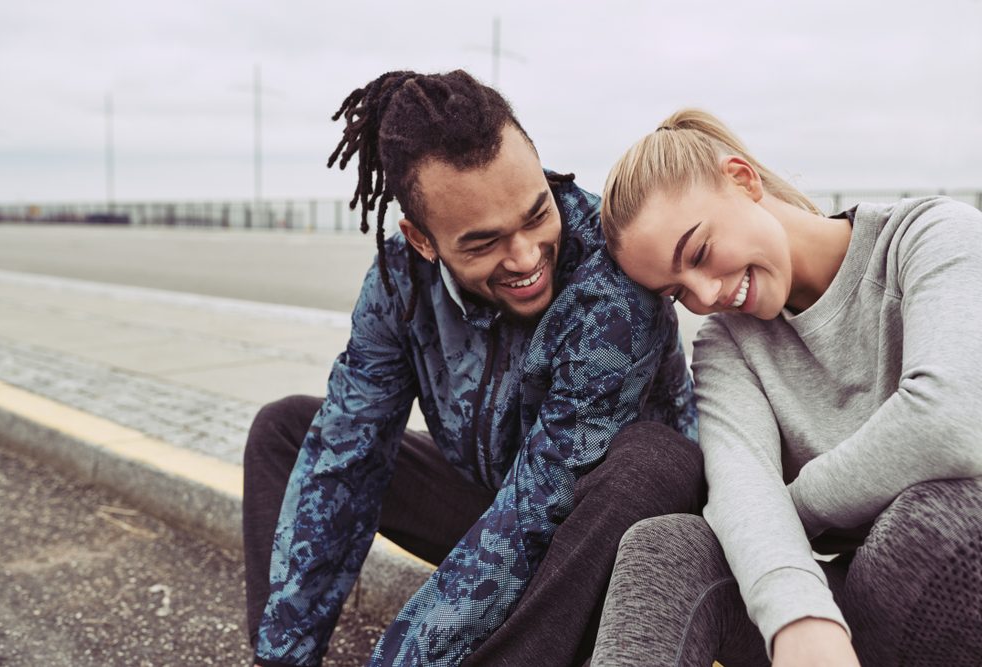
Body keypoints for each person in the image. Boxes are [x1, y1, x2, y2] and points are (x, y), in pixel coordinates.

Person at [242, 70, 703, 667]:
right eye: (483, 244)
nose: (526, 256)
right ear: (422, 240)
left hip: (604, 548)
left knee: (652, 463)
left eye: (537, 214)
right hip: (494, 499)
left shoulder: (611, 292)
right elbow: (347, 452)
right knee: (287, 430)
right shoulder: (398, 281)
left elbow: (536, 512)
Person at [589, 108, 982, 666]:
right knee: (666, 546)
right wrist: (800, 617)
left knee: (938, 515)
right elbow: (741, 487)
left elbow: (952, 420)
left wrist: (795, 504)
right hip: (846, 612)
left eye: (698, 252)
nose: (705, 295)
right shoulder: (728, 343)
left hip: (955, 574)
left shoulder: (933, 236)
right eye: (678, 292)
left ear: (742, 180)